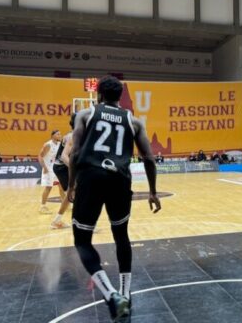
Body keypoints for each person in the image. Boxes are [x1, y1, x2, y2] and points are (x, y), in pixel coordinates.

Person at [68, 76, 161, 320]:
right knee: (121, 235)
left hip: (91, 178)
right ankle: (126, 293)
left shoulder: (85, 115)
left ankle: (111, 296)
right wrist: (152, 191)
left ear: (98, 95)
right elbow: (149, 159)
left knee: (82, 240)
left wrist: (70, 186)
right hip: (120, 180)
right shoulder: (134, 121)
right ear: (120, 97)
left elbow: (75, 153)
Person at [51, 115, 75, 230]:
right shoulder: (72, 136)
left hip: (62, 166)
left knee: (70, 194)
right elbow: (64, 156)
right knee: (75, 194)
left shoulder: (73, 134)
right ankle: (83, 224)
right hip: (62, 167)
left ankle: (57, 220)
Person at [38, 130, 63, 214]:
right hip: (48, 168)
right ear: (53, 136)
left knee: (61, 186)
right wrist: (44, 167)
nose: (60, 135)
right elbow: (40, 156)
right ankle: (42, 207)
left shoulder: (60, 144)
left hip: (56, 167)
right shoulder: (48, 144)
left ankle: (64, 205)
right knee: (48, 187)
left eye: (60, 134)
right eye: (58, 134)